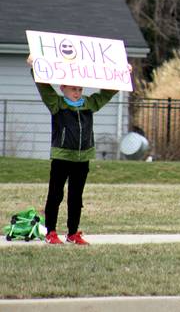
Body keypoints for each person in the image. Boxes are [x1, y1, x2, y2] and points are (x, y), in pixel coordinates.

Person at [28, 56, 130, 245]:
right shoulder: (57, 104)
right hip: (61, 157)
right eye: (73, 88)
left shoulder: (89, 104)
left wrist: (123, 75)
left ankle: (73, 233)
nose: (77, 92)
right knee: (55, 195)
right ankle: (51, 232)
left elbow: (106, 94)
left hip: (83, 159)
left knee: (76, 197)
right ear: (63, 88)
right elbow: (43, 87)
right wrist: (35, 67)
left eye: (80, 89)